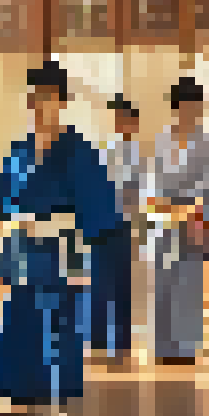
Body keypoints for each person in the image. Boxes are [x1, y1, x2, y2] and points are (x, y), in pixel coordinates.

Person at [0, 60, 121, 416]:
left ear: (62, 101)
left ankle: (62, 403)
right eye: (35, 98)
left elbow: (100, 206)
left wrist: (84, 243)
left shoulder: (78, 151)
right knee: (18, 319)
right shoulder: (18, 151)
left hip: (63, 249)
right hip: (24, 248)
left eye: (48, 98)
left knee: (61, 325)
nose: (40, 106)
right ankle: (18, 395)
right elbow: (4, 202)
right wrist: (9, 234)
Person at [143, 77, 209, 366]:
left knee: (188, 285)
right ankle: (163, 346)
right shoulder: (161, 140)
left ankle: (186, 347)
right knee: (163, 284)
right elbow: (151, 181)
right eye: (186, 105)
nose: (191, 111)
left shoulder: (208, 143)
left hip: (193, 221)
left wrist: (195, 210)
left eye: (195, 106)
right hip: (163, 220)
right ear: (177, 107)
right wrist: (158, 206)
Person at [85, 95, 143, 360]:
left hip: (125, 227)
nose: (123, 124)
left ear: (135, 123)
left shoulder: (141, 156)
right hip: (101, 227)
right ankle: (96, 339)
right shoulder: (102, 151)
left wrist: (139, 233)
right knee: (99, 285)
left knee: (122, 287)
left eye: (127, 120)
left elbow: (140, 197)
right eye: (119, 119)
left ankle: (121, 342)